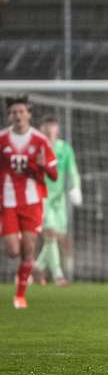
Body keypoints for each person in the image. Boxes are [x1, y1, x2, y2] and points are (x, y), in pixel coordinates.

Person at [0, 95, 58, 309]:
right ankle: (22, 277)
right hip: (7, 201)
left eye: (22, 111)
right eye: (14, 112)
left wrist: (44, 166)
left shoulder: (40, 141)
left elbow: (54, 175)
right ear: (9, 116)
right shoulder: (2, 140)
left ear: (29, 114)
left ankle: (20, 295)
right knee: (13, 251)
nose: (18, 115)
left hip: (33, 201)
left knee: (28, 248)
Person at [33, 116, 82, 286]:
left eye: (52, 126)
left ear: (57, 129)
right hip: (41, 196)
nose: (49, 129)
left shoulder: (64, 148)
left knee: (58, 236)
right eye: (46, 126)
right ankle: (58, 275)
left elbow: (72, 170)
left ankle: (38, 266)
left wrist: (75, 187)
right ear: (40, 129)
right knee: (50, 232)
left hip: (59, 199)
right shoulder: (36, 147)